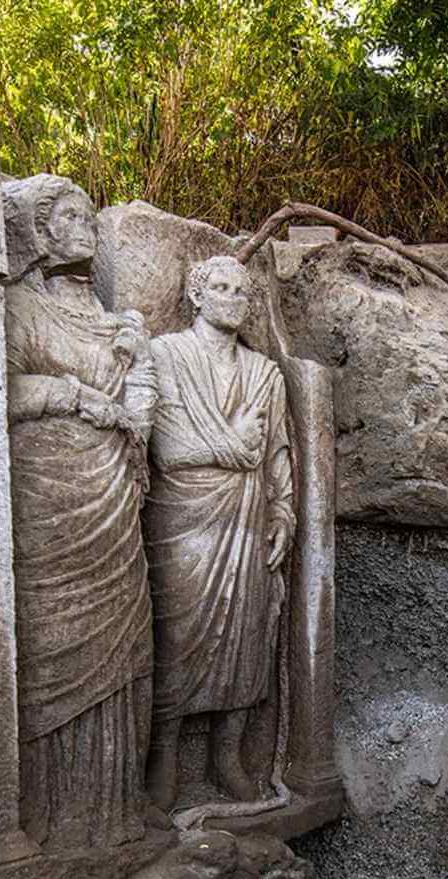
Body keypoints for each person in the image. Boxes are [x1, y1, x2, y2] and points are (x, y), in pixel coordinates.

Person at [2, 174, 157, 848]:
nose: (85, 225)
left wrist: (137, 377)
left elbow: (144, 404)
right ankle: (51, 815)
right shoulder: (15, 309)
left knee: (123, 641)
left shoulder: (115, 322)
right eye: (69, 214)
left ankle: (114, 809)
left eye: (90, 214)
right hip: (49, 491)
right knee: (55, 638)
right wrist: (72, 394)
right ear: (37, 231)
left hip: (116, 489)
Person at [143, 256, 295, 809]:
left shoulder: (265, 374)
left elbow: (276, 452)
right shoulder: (165, 354)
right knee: (176, 633)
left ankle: (226, 755)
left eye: (243, 290)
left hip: (248, 518)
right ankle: (162, 753)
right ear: (197, 296)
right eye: (221, 287)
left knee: (247, 633)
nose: (234, 297)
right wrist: (233, 446)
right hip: (182, 518)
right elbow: (169, 449)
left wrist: (283, 513)